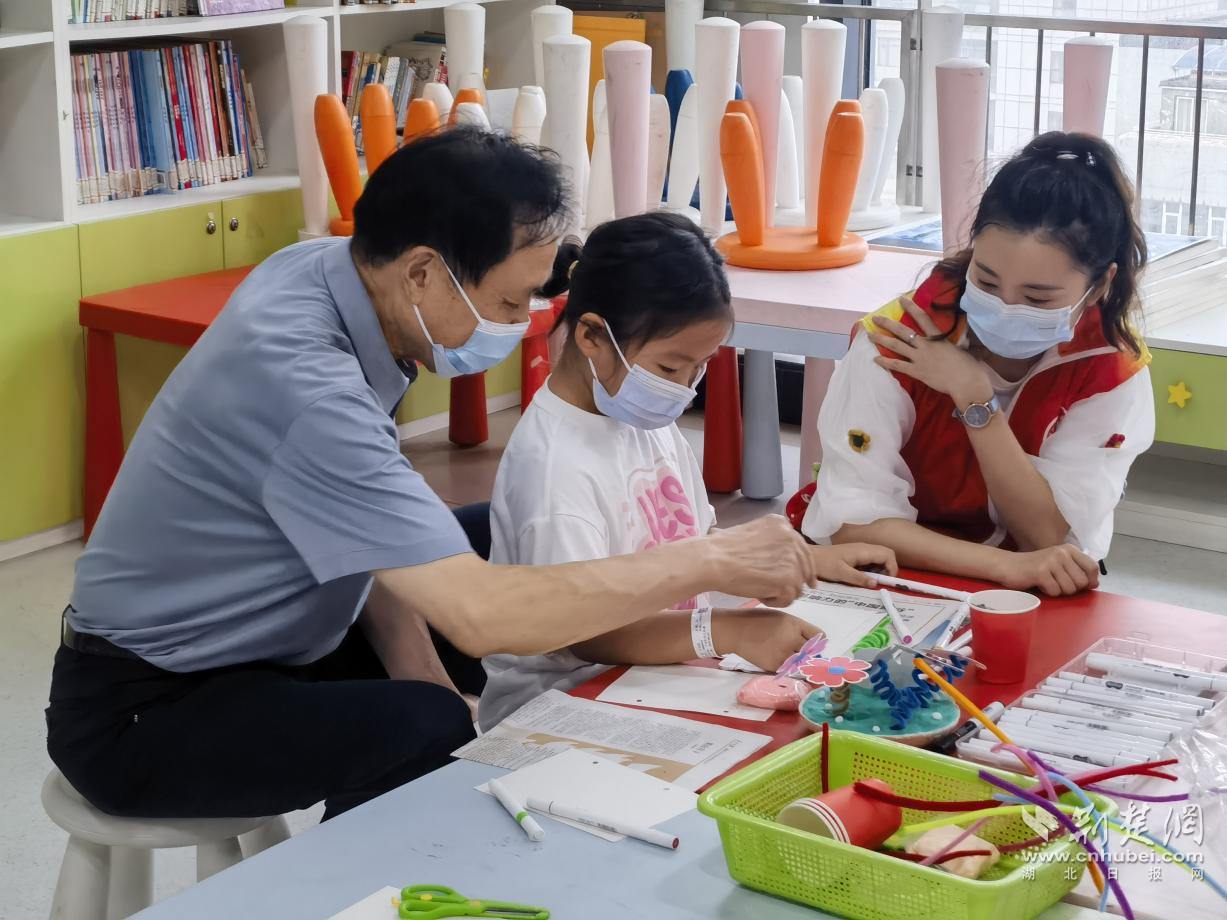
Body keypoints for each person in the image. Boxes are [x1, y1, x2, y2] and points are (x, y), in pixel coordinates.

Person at [46, 129, 823, 822]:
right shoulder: (307, 387)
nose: (520, 325)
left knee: (490, 544)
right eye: (508, 302)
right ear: (422, 272)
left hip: (281, 622)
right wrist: (708, 560)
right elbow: (481, 618)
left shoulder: (334, 274)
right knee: (431, 724)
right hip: (151, 704)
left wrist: (419, 668)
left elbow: (367, 521)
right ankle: (363, 892)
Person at [479, 213, 897, 730]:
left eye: (701, 366)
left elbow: (688, 541)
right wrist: (726, 630)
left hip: (649, 675)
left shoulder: (636, 414)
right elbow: (584, 633)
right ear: (591, 335)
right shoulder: (553, 473)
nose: (684, 387)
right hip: (558, 711)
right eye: (670, 368)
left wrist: (805, 559)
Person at [800, 132, 1154, 597]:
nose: (1005, 308)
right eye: (985, 281)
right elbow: (854, 526)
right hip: (891, 577)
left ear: (1101, 285)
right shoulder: (894, 342)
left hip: (1029, 592)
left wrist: (975, 399)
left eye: (1037, 298)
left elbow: (1046, 536)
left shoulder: (1109, 370)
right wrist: (1007, 567)